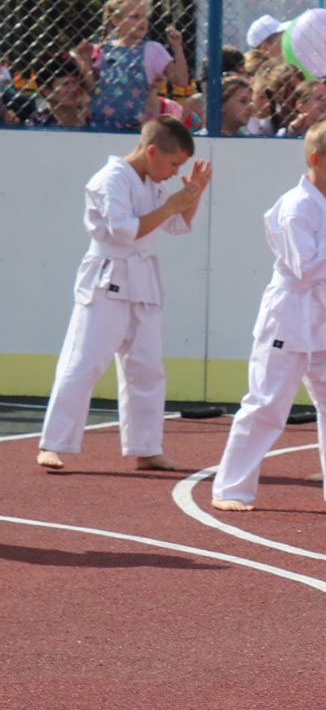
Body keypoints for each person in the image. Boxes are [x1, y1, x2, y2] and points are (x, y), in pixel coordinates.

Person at [210, 121, 326, 512]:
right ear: (315, 159)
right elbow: (306, 266)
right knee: (267, 404)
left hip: (322, 316)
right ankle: (230, 489)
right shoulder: (294, 206)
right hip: (289, 311)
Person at [36, 119, 209, 472]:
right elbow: (124, 232)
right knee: (84, 362)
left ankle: (146, 448)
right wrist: (172, 205)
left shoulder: (154, 183)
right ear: (152, 151)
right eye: (173, 163)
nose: (175, 172)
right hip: (106, 277)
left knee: (146, 368)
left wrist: (193, 194)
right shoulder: (109, 180)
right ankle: (52, 443)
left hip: (142, 281)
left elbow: (176, 225)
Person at [80, 0, 187, 132]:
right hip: (100, 126)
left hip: (139, 128)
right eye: (135, 17)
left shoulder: (153, 49)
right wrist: (85, 60)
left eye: (144, 16)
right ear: (116, 20)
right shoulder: (103, 50)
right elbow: (92, 90)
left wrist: (177, 48)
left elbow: (181, 80)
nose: (143, 21)